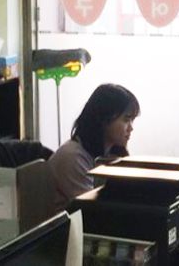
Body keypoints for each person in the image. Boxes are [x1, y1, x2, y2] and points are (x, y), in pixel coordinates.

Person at [47, 83, 140, 211]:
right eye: (126, 119)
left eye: (132, 120)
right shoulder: (73, 157)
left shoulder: (109, 155)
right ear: (104, 119)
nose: (131, 128)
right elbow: (92, 210)